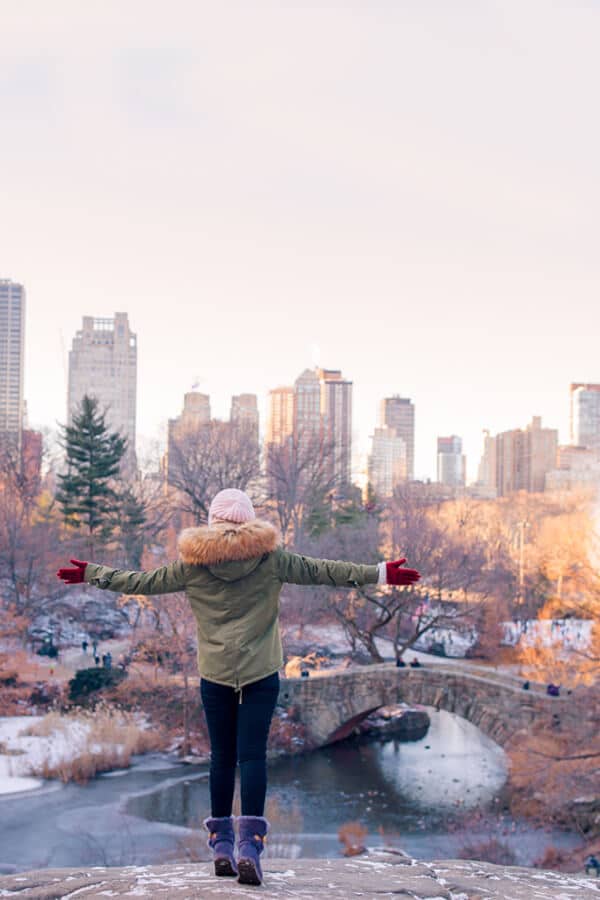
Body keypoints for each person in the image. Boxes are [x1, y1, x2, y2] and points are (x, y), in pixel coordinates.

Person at [57, 488, 420, 886]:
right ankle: (251, 846)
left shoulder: (191, 566)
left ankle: (221, 845)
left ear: (213, 521)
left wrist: (92, 574)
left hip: (215, 673)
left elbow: (139, 581)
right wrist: (380, 573)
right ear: (248, 522)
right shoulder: (271, 560)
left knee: (221, 758)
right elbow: (324, 571)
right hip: (260, 671)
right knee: (252, 758)